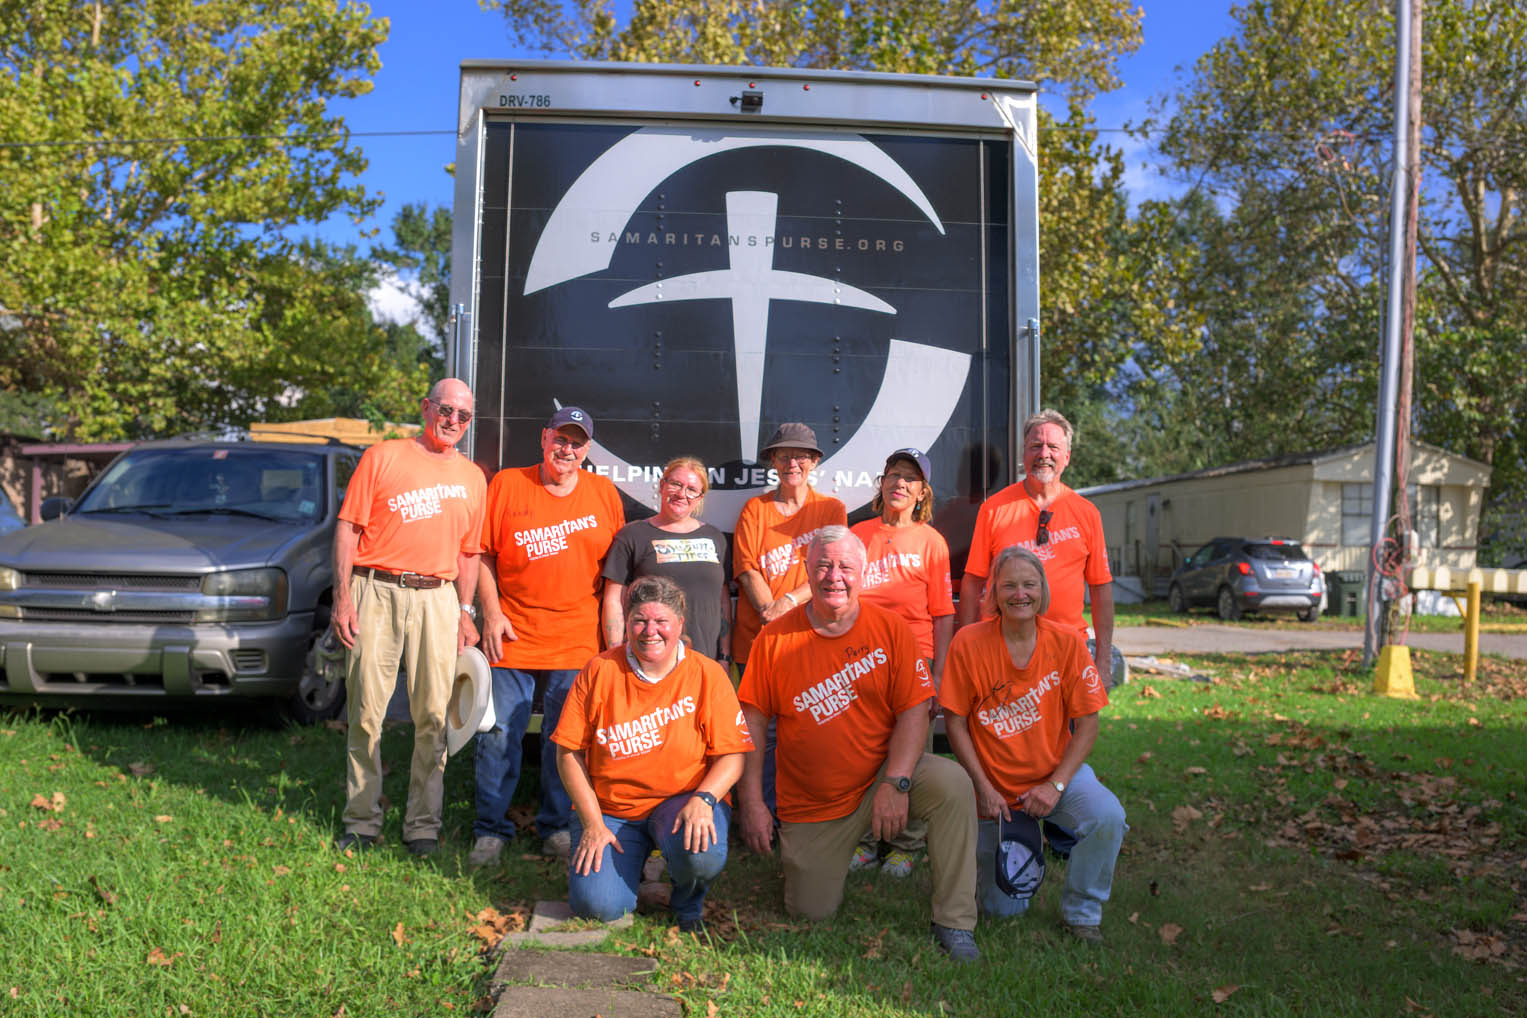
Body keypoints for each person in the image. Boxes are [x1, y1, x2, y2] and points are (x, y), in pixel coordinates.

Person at [737, 526, 980, 963]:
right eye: (823, 566)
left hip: (880, 778)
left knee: (952, 785)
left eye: (845, 566)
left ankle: (955, 922)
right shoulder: (773, 639)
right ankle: (821, 861)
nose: (834, 576)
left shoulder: (890, 629)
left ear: (863, 573)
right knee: (810, 911)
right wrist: (753, 801)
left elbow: (914, 709)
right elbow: (752, 724)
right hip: (816, 803)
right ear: (806, 572)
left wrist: (898, 781)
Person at [331, 378, 487, 857]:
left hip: (438, 598)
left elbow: (469, 554)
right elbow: (347, 530)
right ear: (426, 408)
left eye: (463, 416)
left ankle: (422, 826)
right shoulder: (383, 457)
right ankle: (361, 820)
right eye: (446, 410)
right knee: (366, 712)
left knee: (433, 716)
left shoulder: (473, 477)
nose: (453, 421)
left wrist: (465, 610)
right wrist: (342, 598)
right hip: (375, 588)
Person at [941, 545, 1126, 943]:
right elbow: (954, 723)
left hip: (1055, 778)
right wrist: (983, 789)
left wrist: (1056, 784)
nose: (1019, 594)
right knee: (1001, 910)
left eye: (1029, 584)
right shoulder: (968, 643)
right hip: (996, 795)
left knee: (1107, 816)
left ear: (1042, 590)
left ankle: (1083, 914)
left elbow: (1088, 723)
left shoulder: (1066, 642)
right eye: (1009, 585)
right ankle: (1020, 857)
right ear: (993, 593)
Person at [553, 576, 753, 933]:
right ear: (626, 622)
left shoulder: (706, 674)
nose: (650, 631)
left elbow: (733, 755)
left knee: (701, 852)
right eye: (640, 621)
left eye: (661, 622)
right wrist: (593, 823)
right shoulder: (600, 670)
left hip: (681, 803)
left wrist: (705, 799)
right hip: (613, 811)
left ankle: (687, 900)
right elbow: (568, 753)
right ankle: (635, 884)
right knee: (597, 906)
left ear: (680, 623)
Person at [470, 406, 625, 868]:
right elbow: (484, 556)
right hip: (512, 633)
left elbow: (616, 571)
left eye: (577, 443)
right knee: (499, 734)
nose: (567, 449)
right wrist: (491, 613)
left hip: (578, 637)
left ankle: (556, 825)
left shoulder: (603, 493)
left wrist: (611, 636)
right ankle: (490, 830)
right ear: (544, 439)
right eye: (560, 439)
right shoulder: (508, 485)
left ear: (588, 451)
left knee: (566, 739)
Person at [848, 447, 955, 878]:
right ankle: (866, 839)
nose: (900, 484)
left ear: (922, 491)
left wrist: (941, 672)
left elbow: (943, 613)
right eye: (893, 475)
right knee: (864, 751)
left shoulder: (932, 542)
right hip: (861, 659)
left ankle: (907, 845)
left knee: (913, 755)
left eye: (910, 478)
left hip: (915, 659)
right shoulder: (857, 533)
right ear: (882, 482)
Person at [958, 409, 1114, 680]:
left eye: (1053, 447)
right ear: (1023, 455)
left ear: (1066, 457)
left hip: (1067, 653)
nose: (1044, 454)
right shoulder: (994, 509)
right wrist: (968, 648)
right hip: (1000, 651)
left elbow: (1101, 590)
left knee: (1072, 724)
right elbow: (972, 583)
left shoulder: (1087, 513)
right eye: (1036, 446)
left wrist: (1103, 659)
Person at [731, 423, 847, 668]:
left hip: (810, 637)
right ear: (774, 461)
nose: (791, 463)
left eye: (801, 456)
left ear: (814, 461)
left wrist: (788, 603)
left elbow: (830, 570)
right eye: (784, 456)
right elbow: (747, 570)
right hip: (756, 639)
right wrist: (769, 612)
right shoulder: (755, 509)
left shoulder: (831, 509)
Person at [602, 457, 730, 660]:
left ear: (700, 497)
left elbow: (723, 601)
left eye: (691, 489)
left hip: (705, 661)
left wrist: (724, 656)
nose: (681, 494)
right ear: (663, 485)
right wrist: (616, 653)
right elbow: (614, 599)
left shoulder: (715, 538)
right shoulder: (632, 535)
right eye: (676, 484)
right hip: (648, 659)